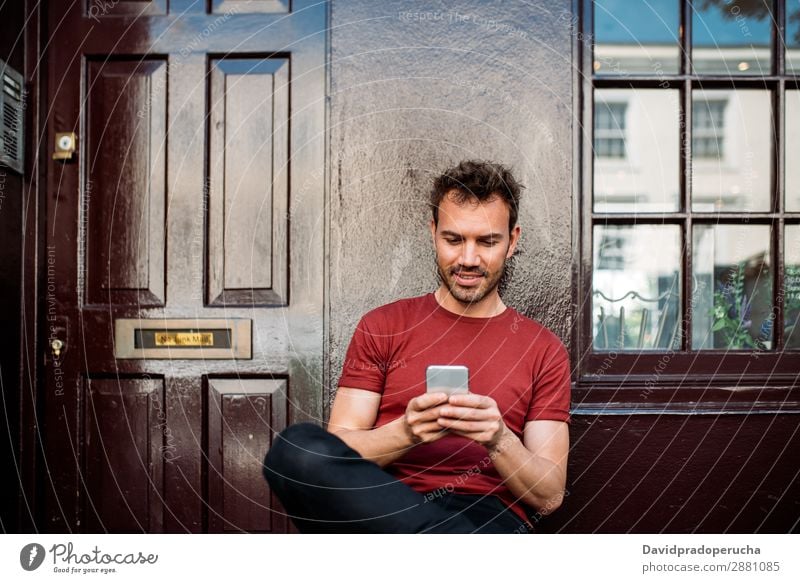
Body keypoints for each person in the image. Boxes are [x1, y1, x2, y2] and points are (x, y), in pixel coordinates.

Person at [262, 160, 571, 533]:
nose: (468, 259)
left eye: (487, 241)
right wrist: (408, 432)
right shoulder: (382, 327)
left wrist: (498, 438)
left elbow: (550, 495)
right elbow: (337, 454)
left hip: (485, 515)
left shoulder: (544, 349)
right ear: (433, 234)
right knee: (296, 449)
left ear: (513, 240)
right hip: (387, 503)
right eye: (453, 240)